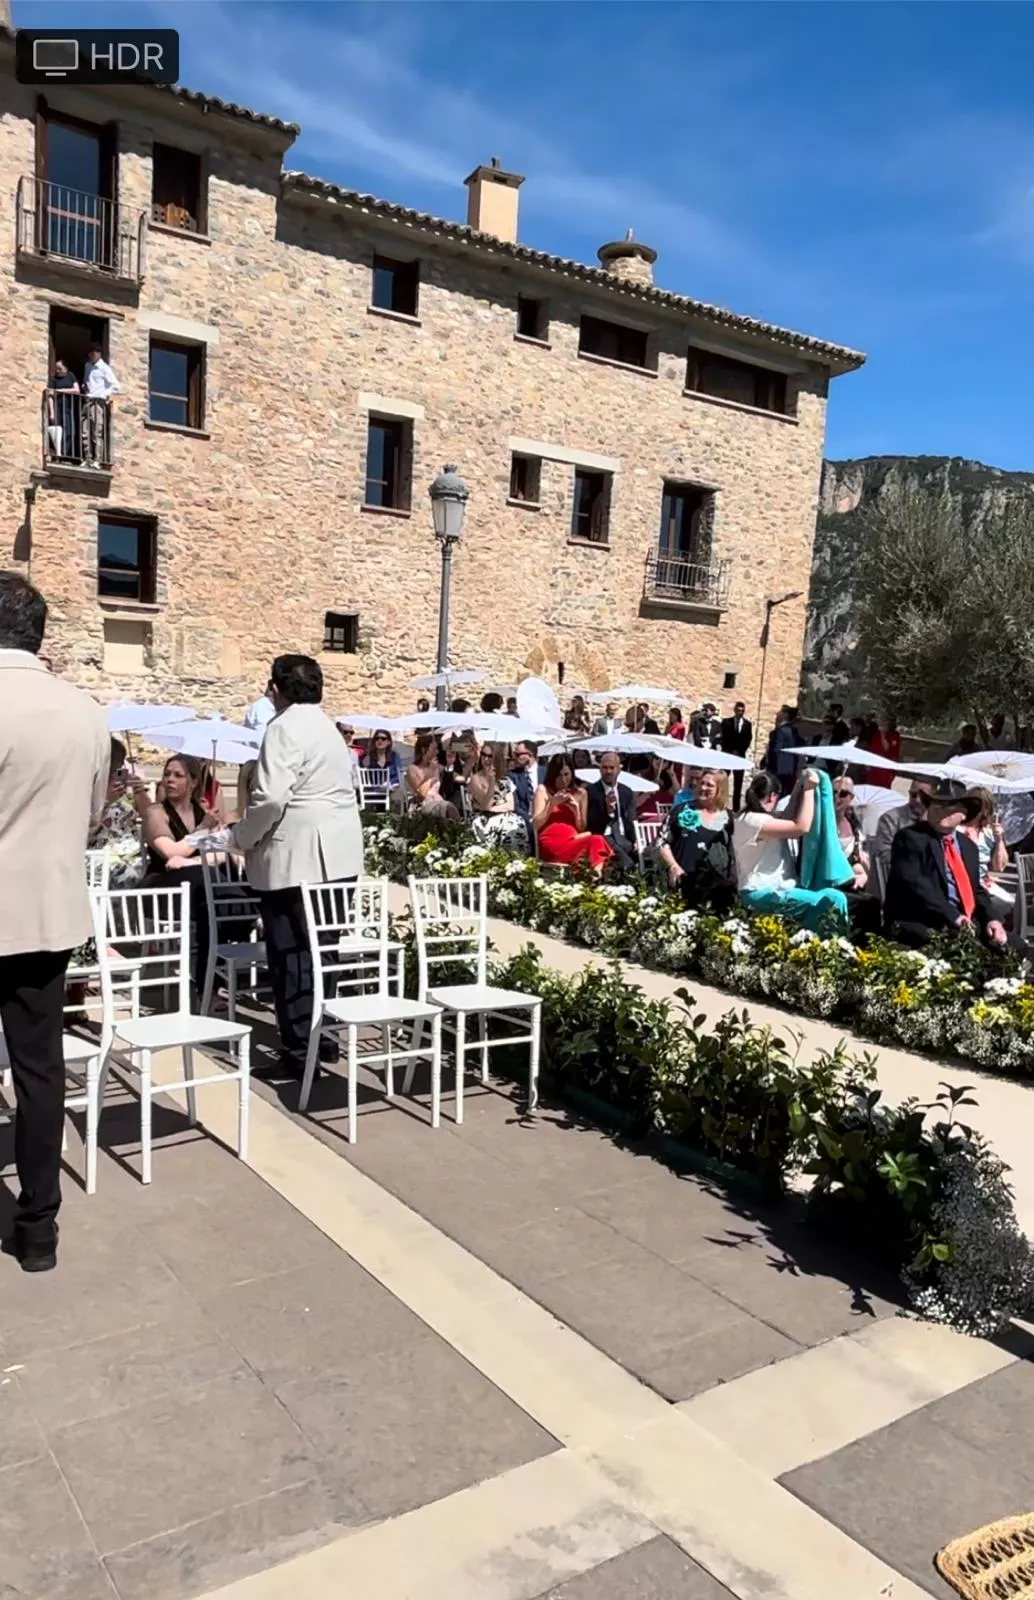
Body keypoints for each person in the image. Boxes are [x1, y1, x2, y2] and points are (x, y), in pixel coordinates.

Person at [0, 572, 109, 1271]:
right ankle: (39, 1227)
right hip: (47, 913)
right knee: (41, 1073)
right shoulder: (85, 711)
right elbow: (94, 816)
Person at [234, 654, 365, 1074]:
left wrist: (241, 836)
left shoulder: (283, 726)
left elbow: (271, 798)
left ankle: (296, 1049)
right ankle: (322, 1036)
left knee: (289, 952)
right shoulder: (329, 729)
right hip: (339, 853)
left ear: (276, 688)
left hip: (297, 858)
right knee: (323, 950)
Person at [884, 781, 1011, 951]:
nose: (941, 809)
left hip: (966, 922)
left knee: (1015, 946)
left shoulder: (968, 846)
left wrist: (992, 919)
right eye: (937, 803)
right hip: (924, 920)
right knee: (973, 950)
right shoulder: (910, 838)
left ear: (963, 814)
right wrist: (954, 916)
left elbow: (976, 889)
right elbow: (916, 884)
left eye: (950, 805)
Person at [734, 768, 849, 932]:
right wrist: (809, 789)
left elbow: (787, 819)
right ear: (773, 797)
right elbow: (801, 827)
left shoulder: (760, 819)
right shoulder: (751, 820)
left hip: (779, 890)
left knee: (836, 897)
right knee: (828, 903)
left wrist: (798, 787)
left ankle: (816, 943)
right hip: (760, 893)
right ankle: (819, 947)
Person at [658, 771, 736, 911]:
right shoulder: (681, 810)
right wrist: (673, 866)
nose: (703, 788)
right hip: (683, 879)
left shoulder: (729, 819)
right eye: (702, 783)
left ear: (720, 790)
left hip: (717, 887)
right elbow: (662, 842)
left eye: (709, 785)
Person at [533, 755, 612, 871]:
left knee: (597, 840)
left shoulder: (581, 793)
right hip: (551, 841)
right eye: (559, 776)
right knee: (594, 845)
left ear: (572, 774)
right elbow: (535, 824)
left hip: (574, 839)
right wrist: (551, 805)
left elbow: (581, 827)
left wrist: (576, 811)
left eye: (566, 775)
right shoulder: (543, 790)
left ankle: (595, 876)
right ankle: (591, 880)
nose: (563, 780)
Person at [868, 778, 934, 893]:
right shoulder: (890, 819)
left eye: (923, 797)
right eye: (913, 795)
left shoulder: (934, 821)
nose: (917, 800)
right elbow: (884, 856)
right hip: (894, 885)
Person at [468, 743, 527, 849]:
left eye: (490, 756)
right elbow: (485, 805)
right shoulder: (475, 779)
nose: (486, 759)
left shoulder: (505, 779)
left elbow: (511, 805)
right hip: (483, 818)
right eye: (483, 754)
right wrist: (491, 783)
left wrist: (494, 808)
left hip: (504, 816)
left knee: (517, 823)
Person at [585, 750, 637, 868]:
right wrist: (607, 811)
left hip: (624, 839)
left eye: (612, 768)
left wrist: (636, 841)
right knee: (628, 864)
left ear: (619, 769)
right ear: (600, 769)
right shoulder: (590, 792)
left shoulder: (626, 792)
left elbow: (631, 819)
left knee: (649, 856)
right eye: (605, 768)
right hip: (604, 837)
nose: (608, 771)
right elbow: (591, 824)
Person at [82, 342, 119, 467]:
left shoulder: (104, 368)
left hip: (98, 401)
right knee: (85, 430)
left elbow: (116, 385)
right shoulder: (87, 366)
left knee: (96, 431)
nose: (92, 355)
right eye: (90, 353)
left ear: (99, 354)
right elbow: (87, 380)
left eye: (94, 353)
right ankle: (87, 457)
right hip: (87, 400)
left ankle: (97, 459)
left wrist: (103, 394)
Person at [406, 732, 459, 819]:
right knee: (446, 808)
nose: (437, 752)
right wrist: (431, 771)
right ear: (424, 749)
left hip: (439, 803)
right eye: (434, 749)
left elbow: (460, 778)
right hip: (422, 805)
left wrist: (450, 764)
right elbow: (422, 794)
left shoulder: (437, 767)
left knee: (448, 807)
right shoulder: (413, 769)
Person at [832, 775, 870, 891]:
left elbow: (856, 861)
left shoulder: (855, 827)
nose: (837, 797)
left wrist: (863, 874)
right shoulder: (820, 823)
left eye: (843, 793)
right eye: (833, 792)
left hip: (848, 882)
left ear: (851, 798)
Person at [45, 358, 80, 462]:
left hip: (68, 408)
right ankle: (57, 454)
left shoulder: (70, 376)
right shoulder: (53, 379)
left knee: (70, 432)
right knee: (57, 432)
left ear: (66, 368)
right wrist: (52, 412)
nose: (57, 371)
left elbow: (77, 390)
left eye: (60, 368)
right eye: (56, 369)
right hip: (58, 408)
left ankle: (65, 455)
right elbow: (50, 395)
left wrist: (61, 391)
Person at [719, 701, 752, 809]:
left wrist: (741, 750)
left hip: (740, 755)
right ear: (735, 710)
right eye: (738, 710)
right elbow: (723, 737)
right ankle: (721, 803)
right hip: (728, 754)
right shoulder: (726, 722)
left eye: (742, 711)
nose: (740, 712)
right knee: (723, 780)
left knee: (738, 783)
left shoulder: (747, 724)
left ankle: (736, 807)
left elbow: (748, 739)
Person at [765, 705, 800, 796]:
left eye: (780, 712)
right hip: (789, 770)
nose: (777, 715)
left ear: (785, 715)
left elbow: (776, 750)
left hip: (777, 769)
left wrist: (769, 766)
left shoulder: (781, 730)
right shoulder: (793, 731)